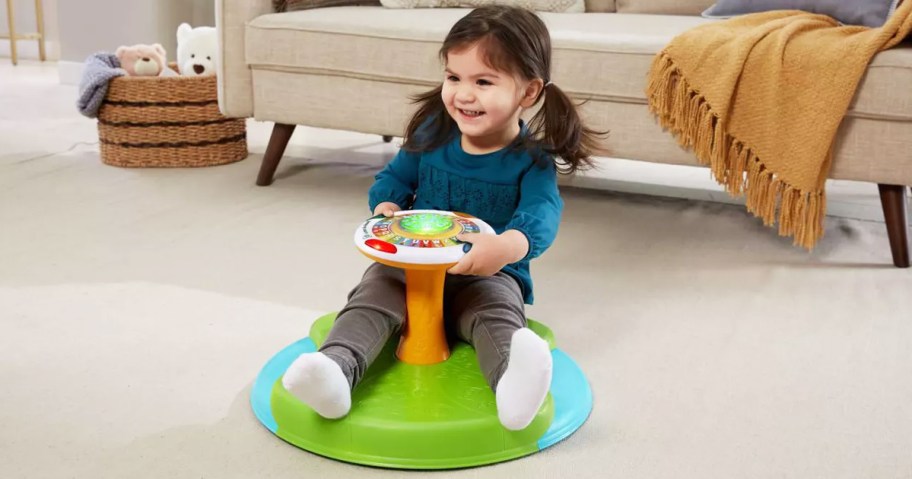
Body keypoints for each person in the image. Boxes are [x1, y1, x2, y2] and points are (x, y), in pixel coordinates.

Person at [282, 4, 604, 431]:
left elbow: (542, 214)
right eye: (454, 77)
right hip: (410, 267)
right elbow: (394, 176)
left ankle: (513, 386)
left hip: (487, 275)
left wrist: (506, 247)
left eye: (483, 81)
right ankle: (336, 373)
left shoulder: (531, 161)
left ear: (527, 92)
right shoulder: (431, 135)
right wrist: (388, 206)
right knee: (371, 297)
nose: (463, 94)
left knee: (496, 315)